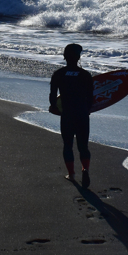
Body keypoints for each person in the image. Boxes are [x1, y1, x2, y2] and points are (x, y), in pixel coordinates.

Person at [49, 43, 94, 188]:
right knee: (83, 146)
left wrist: (54, 107)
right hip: (82, 114)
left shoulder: (58, 74)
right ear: (79, 57)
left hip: (67, 114)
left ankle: (72, 174)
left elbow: (53, 97)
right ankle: (85, 169)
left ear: (64, 57)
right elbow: (91, 98)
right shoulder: (85, 75)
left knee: (68, 145)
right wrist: (87, 109)